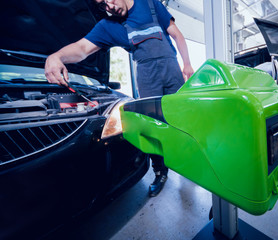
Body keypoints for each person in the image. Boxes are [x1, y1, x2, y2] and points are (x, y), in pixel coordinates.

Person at [44, 0, 194, 197]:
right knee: (152, 126)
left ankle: (190, 163)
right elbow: (81, 48)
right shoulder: (108, 27)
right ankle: (160, 172)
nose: (110, 6)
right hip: (147, 76)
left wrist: (187, 64)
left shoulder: (149, 4)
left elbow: (175, 33)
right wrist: (56, 57)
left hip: (172, 70)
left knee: (182, 119)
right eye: (103, 4)